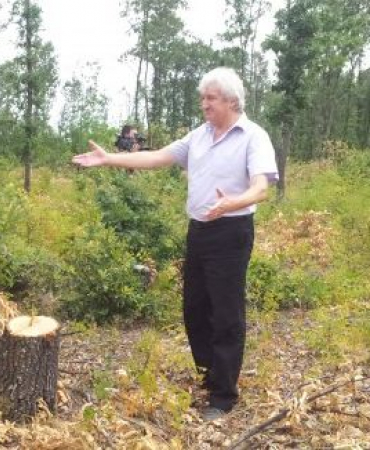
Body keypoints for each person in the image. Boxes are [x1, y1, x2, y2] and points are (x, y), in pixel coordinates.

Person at [72, 67, 278, 421]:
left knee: (227, 313)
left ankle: (223, 395)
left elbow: (261, 186)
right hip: (198, 231)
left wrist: (234, 202)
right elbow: (156, 157)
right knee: (194, 309)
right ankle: (208, 374)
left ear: (231, 100)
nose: (204, 105)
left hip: (232, 232)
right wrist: (109, 159)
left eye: (210, 99)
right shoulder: (199, 136)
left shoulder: (253, 136)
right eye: (203, 98)